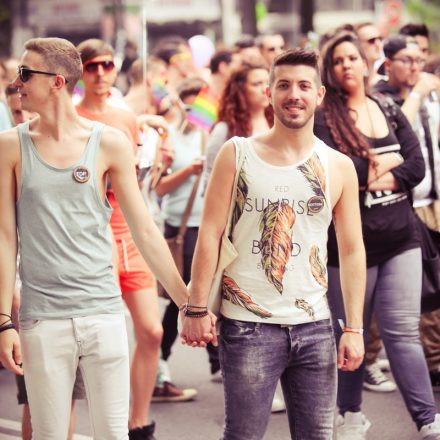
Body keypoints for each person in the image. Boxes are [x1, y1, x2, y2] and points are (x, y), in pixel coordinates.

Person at [0, 37, 200, 440]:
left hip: (103, 315)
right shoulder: (10, 147)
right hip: (42, 319)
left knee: (113, 433)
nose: (16, 83)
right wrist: (4, 322)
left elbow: (143, 228)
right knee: (50, 435)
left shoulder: (108, 142)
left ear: (57, 82)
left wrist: (189, 304)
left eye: (25, 74)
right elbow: (5, 238)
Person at [182, 48, 366, 440]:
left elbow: (351, 249)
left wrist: (354, 328)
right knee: (243, 436)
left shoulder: (338, 166)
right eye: (283, 85)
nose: (293, 94)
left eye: (303, 85)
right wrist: (196, 306)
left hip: (316, 326)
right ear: (268, 92)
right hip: (248, 328)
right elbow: (210, 233)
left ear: (319, 94)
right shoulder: (237, 154)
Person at [314, 31, 440, 439]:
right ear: (329, 72)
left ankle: (426, 418)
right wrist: (385, 167)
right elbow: (337, 170)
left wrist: (379, 171)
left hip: (402, 236)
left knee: (402, 330)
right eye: (337, 60)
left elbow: (416, 166)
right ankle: (350, 414)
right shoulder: (323, 117)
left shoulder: (387, 106)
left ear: (365, 63)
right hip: (350, 244)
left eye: (352, 57)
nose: (347, 64)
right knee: (350, 330)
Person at [74, 38, 165, 440]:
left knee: (152, 331)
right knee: (103, 337)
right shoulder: (71, 118)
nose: (99, 73)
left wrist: (156, 162)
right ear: (80, 71)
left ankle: (138, 421)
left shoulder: (126, 117)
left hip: (131, 229)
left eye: (106, 65)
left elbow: (137, 181)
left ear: (115, 68)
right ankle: (104, 426)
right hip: (94, 233)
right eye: (91, 66)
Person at [373, 34, 440, 394]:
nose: (416, 67)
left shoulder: (429, 96)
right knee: (410, 292)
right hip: (401, 206)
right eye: (407, 61)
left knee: (435, 287)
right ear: (389, 64)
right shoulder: (380, 99)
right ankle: (368, 359)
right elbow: (396, 140)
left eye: (420, 60)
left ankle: (433, 361)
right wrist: (415, 96)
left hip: (433, 202)